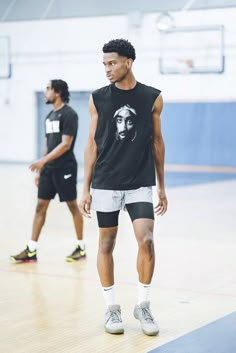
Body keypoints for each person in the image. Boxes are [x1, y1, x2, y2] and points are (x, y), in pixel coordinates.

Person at [79, 39, 168, 336]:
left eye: (112, 63)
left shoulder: (152, 98)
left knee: (147, 241)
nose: (107, 69)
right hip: (105, 182)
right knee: (106, 244)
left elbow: (157, 142)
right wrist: (86, 187)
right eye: (104, 64)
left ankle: (142, 304)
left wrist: (162, 186)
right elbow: (91, 144)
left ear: (128, 62)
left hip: (140, 183)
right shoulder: (98, 99)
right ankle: (111, 308)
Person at [11, 79, 86, 263]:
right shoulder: (48, 116)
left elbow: (66, 144)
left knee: (72, 206)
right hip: (48, 170)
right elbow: (47, 144)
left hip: (65, 168)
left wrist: (41, 161)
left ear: (58, 92)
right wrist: (40, 169)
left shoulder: (70, 115)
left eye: (48, 89)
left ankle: (80, 247)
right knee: (40, 207)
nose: (45, 92)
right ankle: (31, 249)